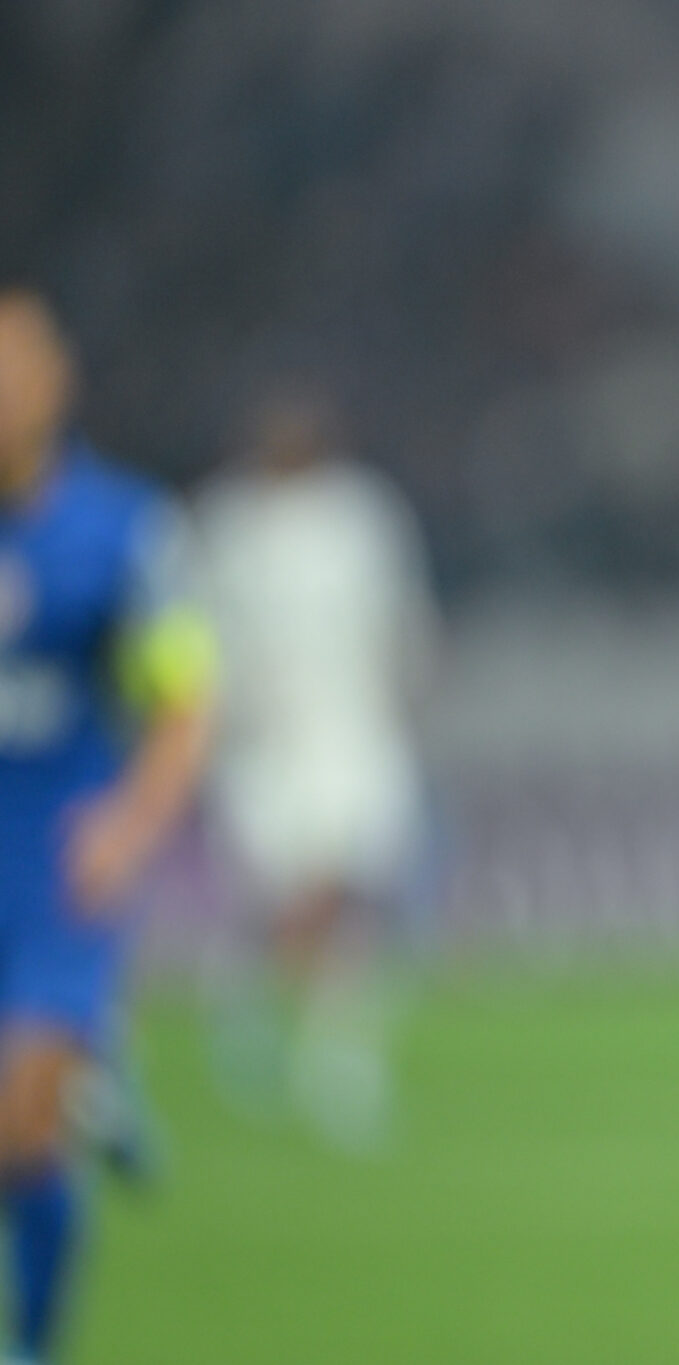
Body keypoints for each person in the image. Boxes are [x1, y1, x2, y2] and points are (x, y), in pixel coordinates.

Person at [0, 288, 215, 1365]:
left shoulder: (123, 530)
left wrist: (130, 827)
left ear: (55, 384)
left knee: (16, 1124)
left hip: (58, 863)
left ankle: (33, 1344)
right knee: (22, 1137)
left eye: (13, 370)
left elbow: (184, 699)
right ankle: (96, 1081)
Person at [194, 383, 435, 1154]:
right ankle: (247, 1015)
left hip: (353, 733)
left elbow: (400, 619)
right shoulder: (229, 524)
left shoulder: (362, 515)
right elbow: (199, 635)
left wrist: (411, 691)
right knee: (284, 905)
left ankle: (339, 1057)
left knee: (351, 896)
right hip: (264, 745)